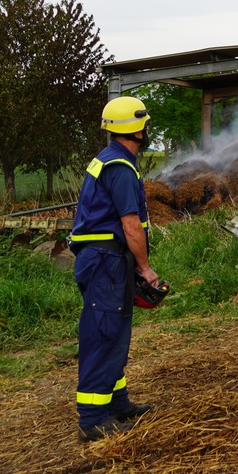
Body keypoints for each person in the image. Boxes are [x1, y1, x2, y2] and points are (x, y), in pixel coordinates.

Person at [69, 95, 159, 442]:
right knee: (104, 333)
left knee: (115, 333)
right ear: (135, 130)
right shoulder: (120, 168)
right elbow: (130, 224)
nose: (148, 129)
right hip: (107, 260)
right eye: (145, 124)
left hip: (103, 259)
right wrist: (145, 267)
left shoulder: (109, 159)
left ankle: (118, 403)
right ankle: (92, 418)